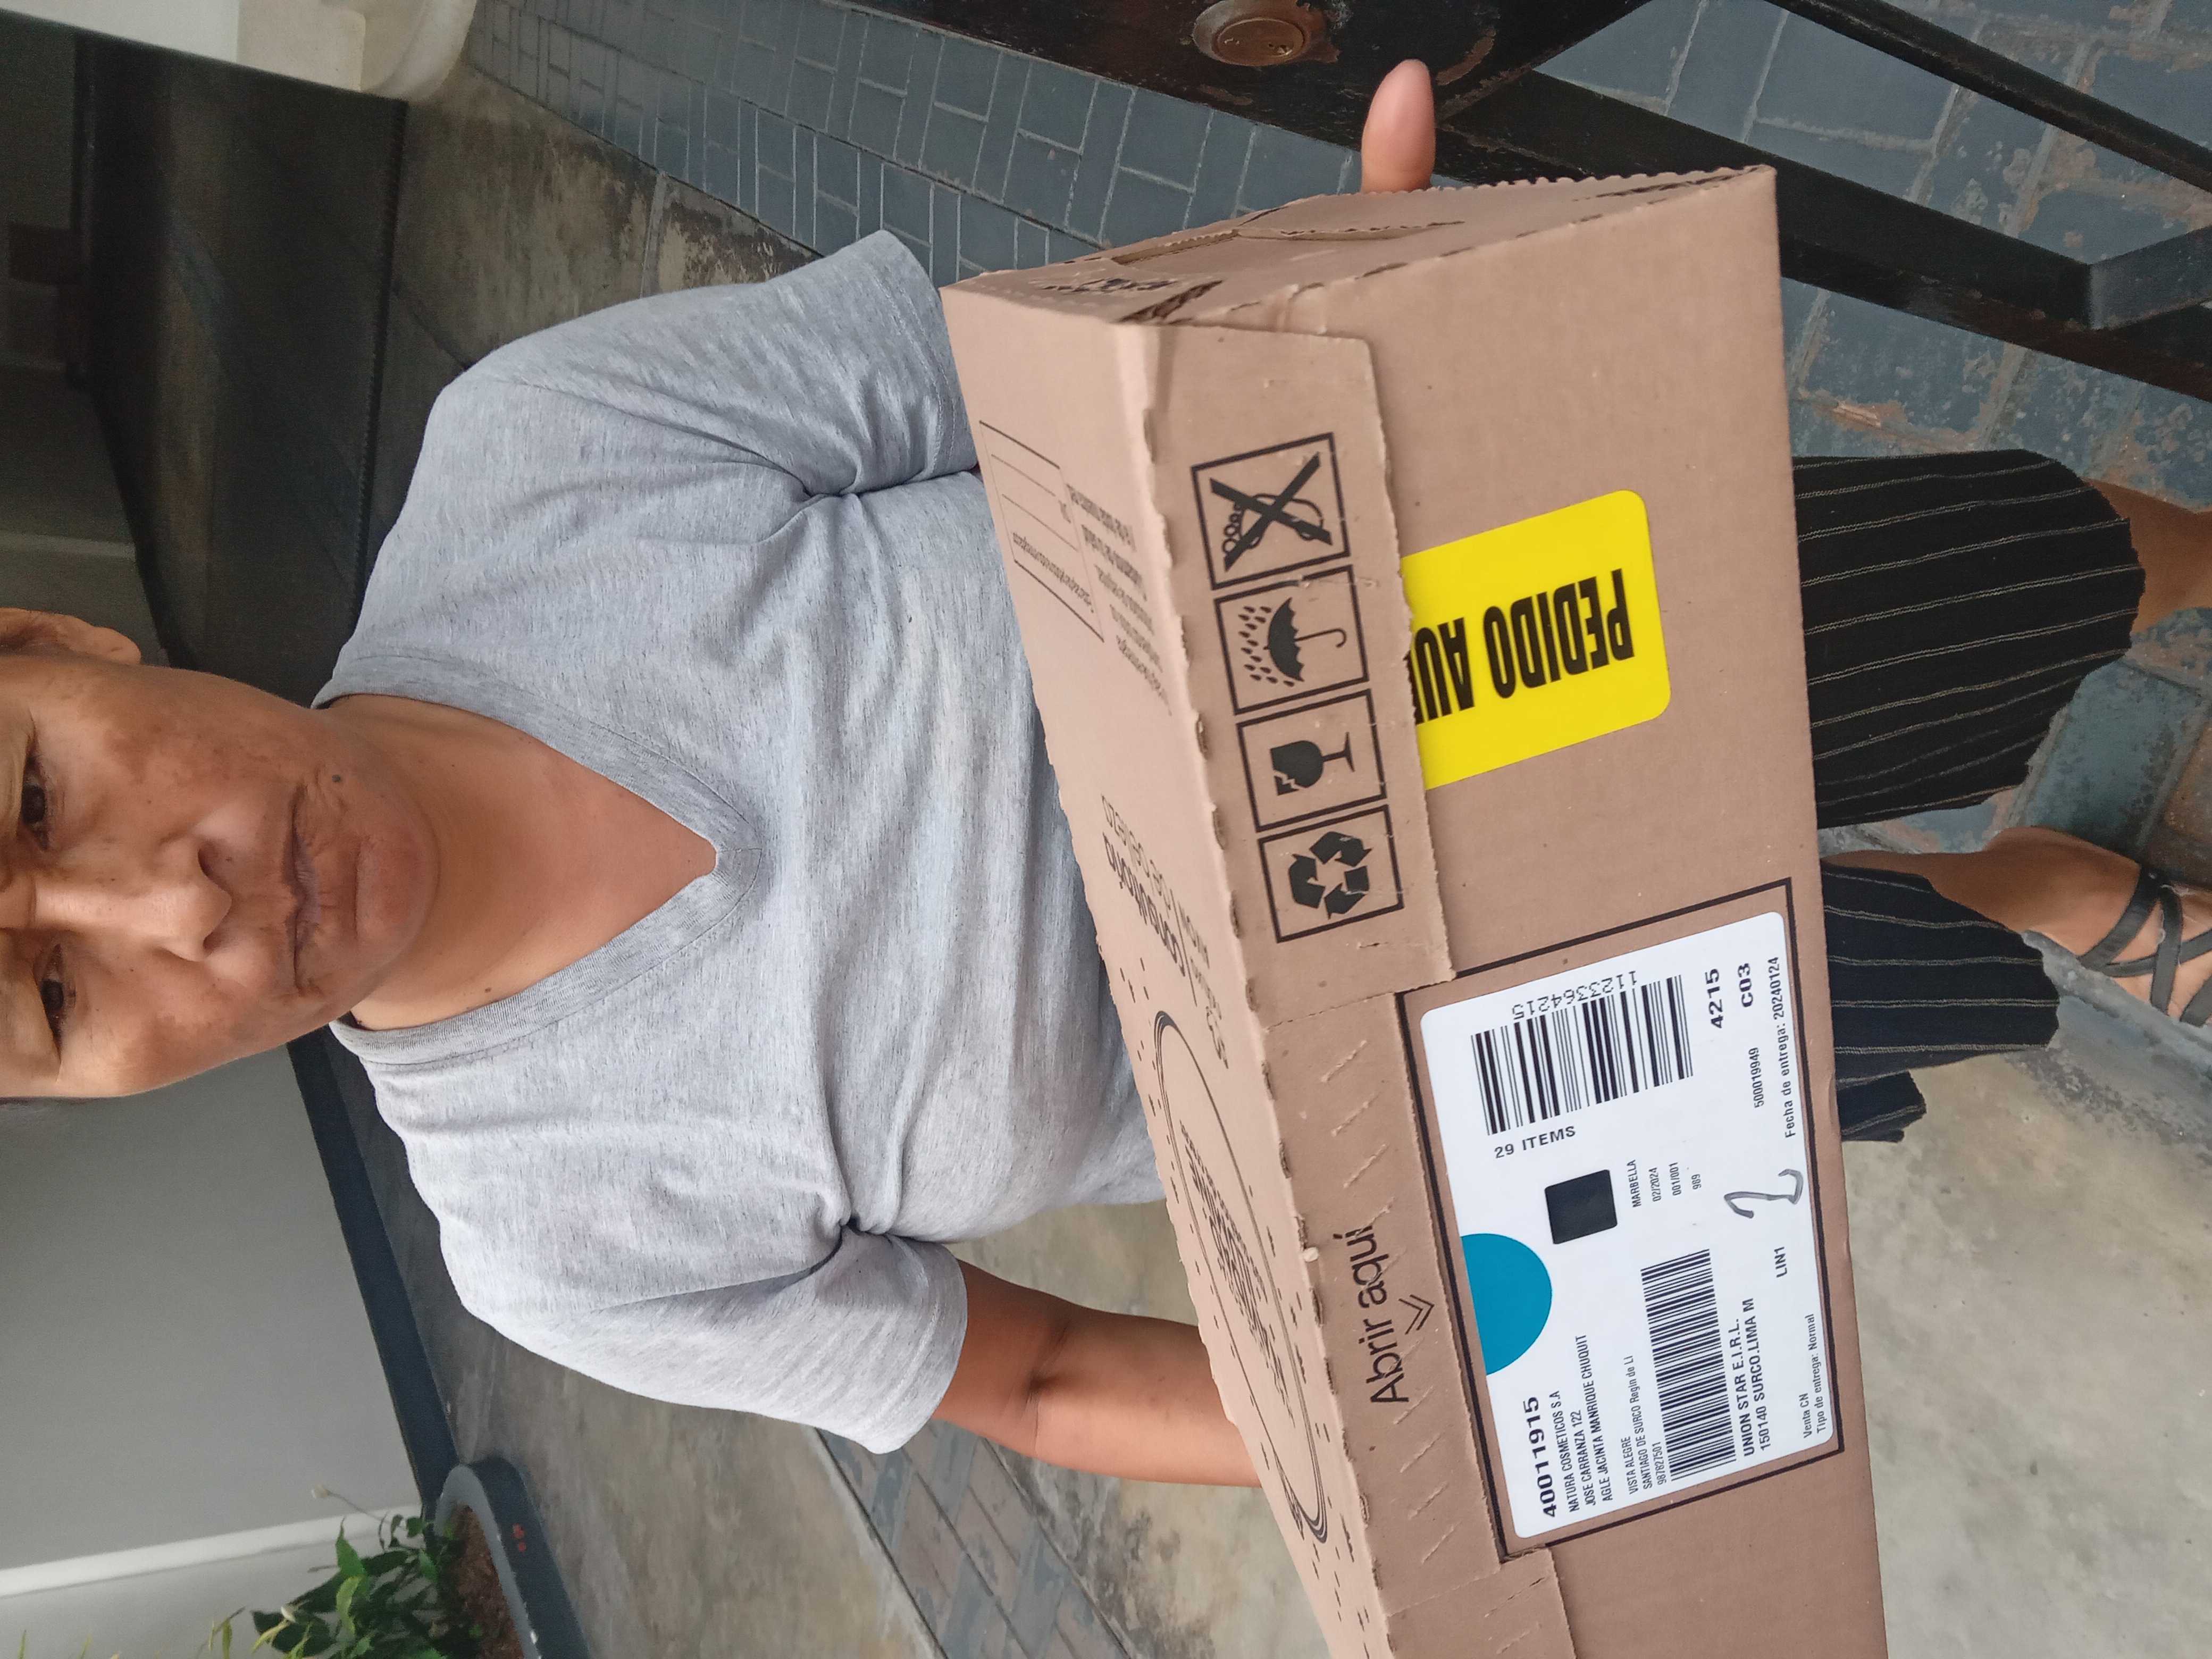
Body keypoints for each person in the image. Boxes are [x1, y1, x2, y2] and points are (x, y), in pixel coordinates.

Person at [4, 62, 2207, 1487]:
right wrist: (1417, 1453)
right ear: (80, 1094)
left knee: (2001, 581)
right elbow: (1044, 1379)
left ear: (59, 640)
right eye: (49, 997)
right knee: (1860, 976)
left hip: (1454, 627)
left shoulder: (544, 463)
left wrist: (1350, 303)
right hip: (1470, 1053)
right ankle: (2037, 889)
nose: (174, 909)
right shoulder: (554, 1242)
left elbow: (1047, 370)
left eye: (31, 803)